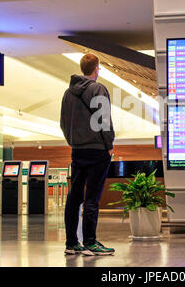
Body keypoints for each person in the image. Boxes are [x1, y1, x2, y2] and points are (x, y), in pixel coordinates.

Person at [60, 54, 115, 256]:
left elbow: (63, 122)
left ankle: (71, 242)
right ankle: (90, 242)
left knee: (74, 197)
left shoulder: (68, 93)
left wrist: (72, 141)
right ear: (96, 68)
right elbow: (104, 119)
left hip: (77, 150)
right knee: (92, 197)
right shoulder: (97, 88)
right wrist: (109, 144)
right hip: (97, 150)